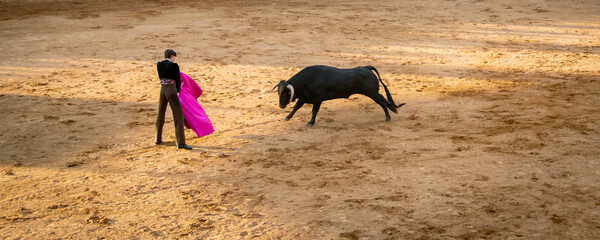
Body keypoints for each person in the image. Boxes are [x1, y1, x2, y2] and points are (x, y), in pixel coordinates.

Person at [155, 49, 192, 150]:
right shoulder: (174, 66)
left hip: (163, 89)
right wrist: (178, 92)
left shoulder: (159, 64)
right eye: (174, 56)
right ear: (171, 56)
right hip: (171, 89)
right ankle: (180, 142)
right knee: (178, 115)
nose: (174, 58)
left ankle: (157, 139)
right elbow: (178, 80)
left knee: (161, 113)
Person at [178, 72, 215, 137]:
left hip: (180, 94)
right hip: (183, 93)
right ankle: (205, 128)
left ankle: (202, 130)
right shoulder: (177, 72)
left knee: (190, 113)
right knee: (193, 112)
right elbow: (189, 81)